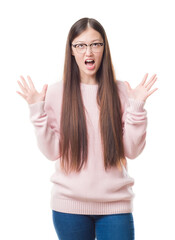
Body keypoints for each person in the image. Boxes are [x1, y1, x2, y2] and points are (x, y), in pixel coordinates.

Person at [16, 17, 158, 240]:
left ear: (104, 48)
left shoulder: (122, 91)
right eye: (80, 45)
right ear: (71, 50)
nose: (88, 52)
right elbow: (52, 152)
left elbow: (132, 150)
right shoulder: (56, 92)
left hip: (115, 206)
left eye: (95, 44)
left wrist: (137, 107)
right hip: (69, 208)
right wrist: (37, 111)